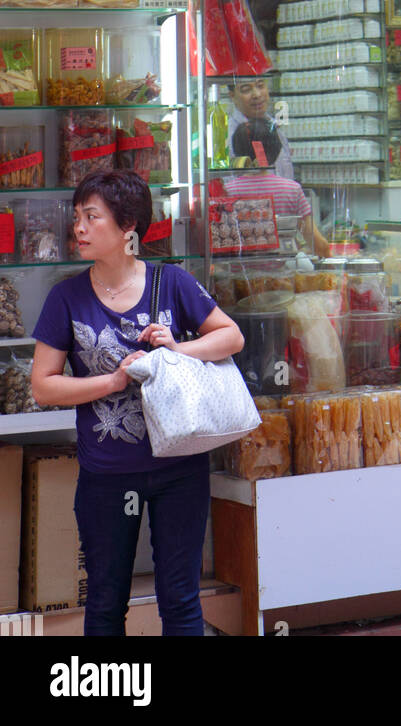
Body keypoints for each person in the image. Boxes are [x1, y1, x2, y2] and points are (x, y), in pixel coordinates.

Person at [30, 169, 244, 637]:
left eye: (92, 217)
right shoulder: (65, 296)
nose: (79, 228)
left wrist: (175, 352)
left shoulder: (172, 282)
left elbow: (232, 336)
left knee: (181, 600)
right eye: (78, 217)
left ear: (128, 227)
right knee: (105, 603)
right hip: (107, 474)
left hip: (180, 467)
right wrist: (112, 381)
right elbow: (43, 386)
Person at [225, 76, 331, 257]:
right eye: (246, 89)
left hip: (283, 246)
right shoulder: (226, 136)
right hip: (246, 249)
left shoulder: (276, 129)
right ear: (232, 96)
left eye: (261, 86)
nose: (257, 95)